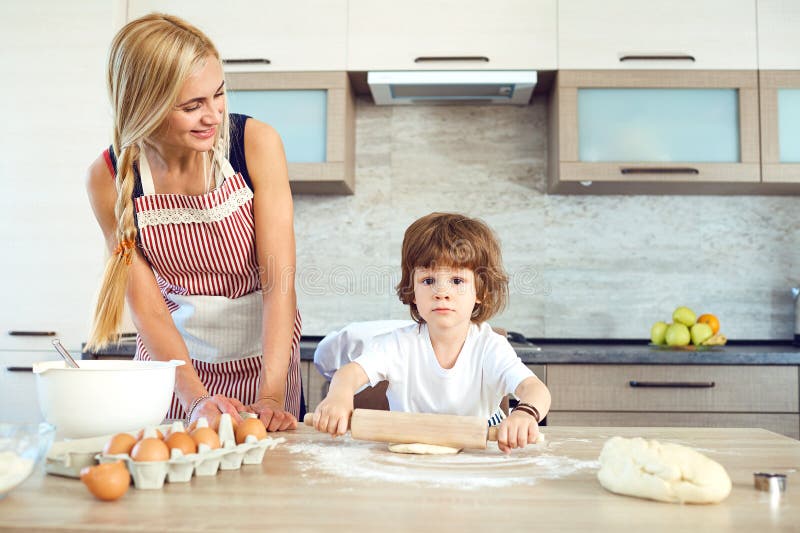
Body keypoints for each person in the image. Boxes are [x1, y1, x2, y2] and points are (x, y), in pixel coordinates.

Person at [85, 13, 302, 431]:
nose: (214, 115)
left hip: (266, 360)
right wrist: (195, 398)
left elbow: (280, 281)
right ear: (145, 107)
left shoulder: (254, 144)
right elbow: (147, 306)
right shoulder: (107, 178)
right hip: (173, 366)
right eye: (192, 106)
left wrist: (271, 395)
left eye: (218, 95)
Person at [313, 213, 551, 453]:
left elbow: (535, 389)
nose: (441, 292)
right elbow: (348, 374)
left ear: (481, 291)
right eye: (428, 280)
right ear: (412, 291)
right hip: (407, 462)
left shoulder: (490, 347)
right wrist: (338, 398)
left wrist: (525, 413)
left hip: (478, 458)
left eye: (457, 280)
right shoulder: (398, 345)